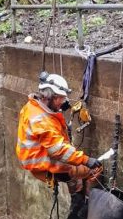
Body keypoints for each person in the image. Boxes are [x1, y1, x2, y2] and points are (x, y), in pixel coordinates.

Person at [15, 72, 102, 209]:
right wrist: (86, 160)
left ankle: (76, 199)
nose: (63, 102)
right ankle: (88, 205)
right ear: (51, 97)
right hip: (46, 165)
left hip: (37, 159)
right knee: (95, 168)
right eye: (60, 99)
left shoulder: (33, 106)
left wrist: (58, 107)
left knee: (75, 170)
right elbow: (59, 151)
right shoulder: (42, 122)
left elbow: (50, 132)